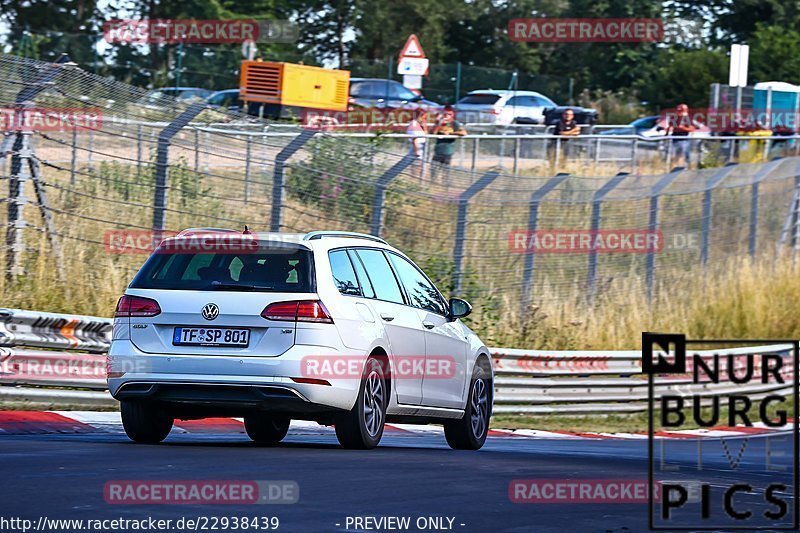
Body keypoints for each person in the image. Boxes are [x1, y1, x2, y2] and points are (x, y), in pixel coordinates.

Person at [431, 105, 467, 180]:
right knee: (433, 170)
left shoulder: (454, 123)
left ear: (453, 115)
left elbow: (463, 133)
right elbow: (432, 133)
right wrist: (438, 123)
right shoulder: (439, 123)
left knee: (446, 172)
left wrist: (450, 134)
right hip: (437, 151)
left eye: (449, 114)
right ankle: (432, 184)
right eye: (445, 114)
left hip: (447, 151)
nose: (447, 116)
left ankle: (445, 186)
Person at [406, 108, 428, 179]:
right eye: (424, 117)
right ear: (419, 116)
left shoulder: (419, 124)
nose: (425, 119)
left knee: (422, 170)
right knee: (416, 171)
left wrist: (424, 126)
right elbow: (414, 139)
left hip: (421, 149)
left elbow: (425, 134)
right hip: (416, 150)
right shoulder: (414, 124)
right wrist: (417, 153)